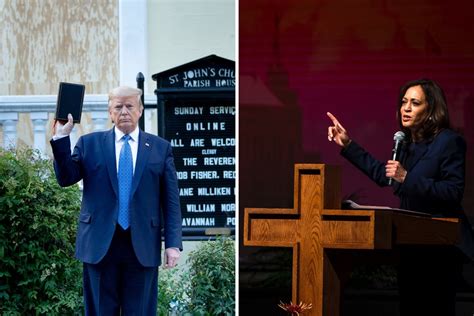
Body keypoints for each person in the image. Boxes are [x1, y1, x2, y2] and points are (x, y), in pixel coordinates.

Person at [327, 78, 472, 316]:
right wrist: (348, 144)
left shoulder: (449, 142)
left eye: (415, 103)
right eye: (404, 102)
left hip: (439, 248)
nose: (406, 108)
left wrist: (407, 177)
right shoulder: (406, 143)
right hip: (411, 246)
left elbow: (453, 192)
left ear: (431, 110)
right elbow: (385, 176)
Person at [50, 86, 182, 315]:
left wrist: (172, 243)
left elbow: (171, 201)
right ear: (110, 112)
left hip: (142, 245)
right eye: (118, 106)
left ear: (140, 110)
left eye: (130, 106)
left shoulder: (160, 148)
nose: (124, 111)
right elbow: (66, 178)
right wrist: (62, 138)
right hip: (99, 245)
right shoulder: (89, 144)